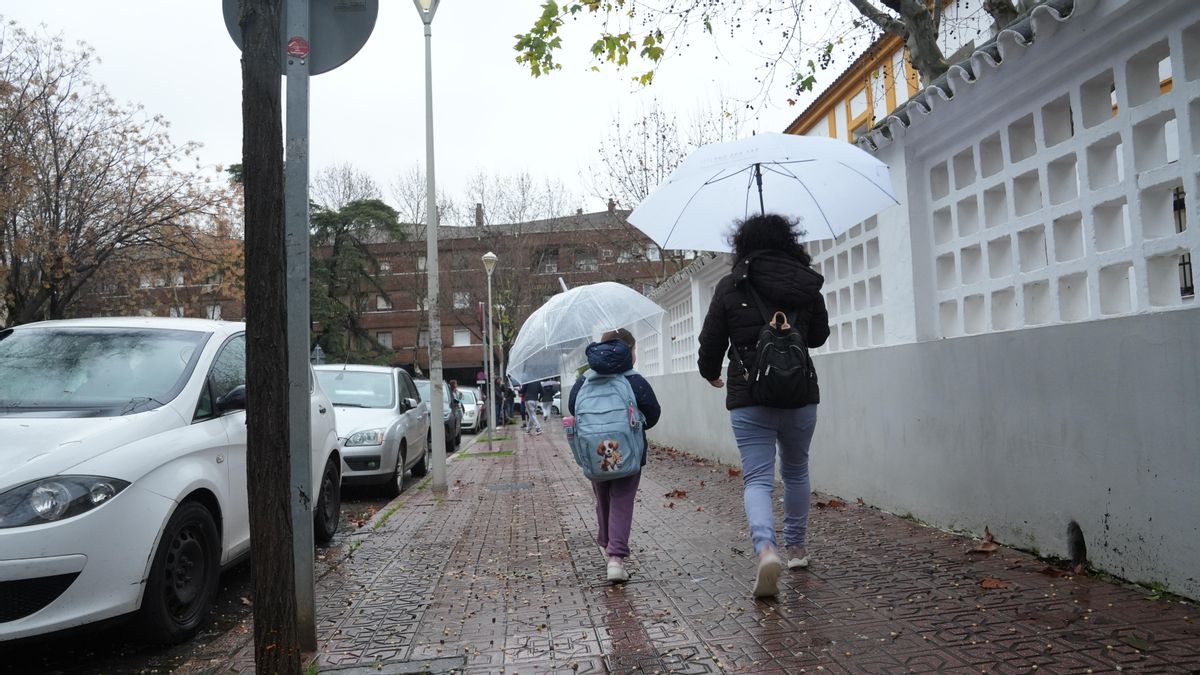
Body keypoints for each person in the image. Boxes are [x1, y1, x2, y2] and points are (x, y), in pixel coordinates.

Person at [696, 213, 830, 598]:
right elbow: (818, 337)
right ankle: (798, 548)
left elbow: (711, 340)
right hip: (801, 395)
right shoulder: (807, 284)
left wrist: (710, 372)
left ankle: (766, 548)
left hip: (748, 395)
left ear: (743, 244)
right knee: (796, 470)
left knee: (757, 478)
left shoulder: (730, 285)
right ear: (790, 241)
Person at [569, 328, 660, 583]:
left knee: (604, 498)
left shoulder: (584, 379)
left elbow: (572, 407)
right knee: (622, 499)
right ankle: (616, 558)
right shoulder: (634, 380)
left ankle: (608, 542)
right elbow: (653, 413)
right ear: (629, 352)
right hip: (629, 453)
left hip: (594, 452)